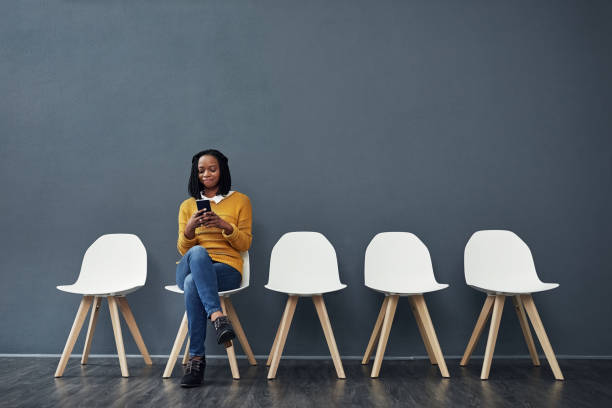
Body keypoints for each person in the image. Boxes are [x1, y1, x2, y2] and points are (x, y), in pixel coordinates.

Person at [175, 149, 252, 387]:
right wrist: (189, 229)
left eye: (212, 169)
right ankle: (218, 316)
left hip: (227, 269)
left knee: (192, 285)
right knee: (197, 252)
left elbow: (245, 243)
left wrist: (224, 226)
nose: (206, 174)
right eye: (201, 171)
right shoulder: (188, 205)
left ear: (222, 170)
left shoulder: (241, 201)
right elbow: (182, 248)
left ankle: (196, 360)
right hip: (191, 265)